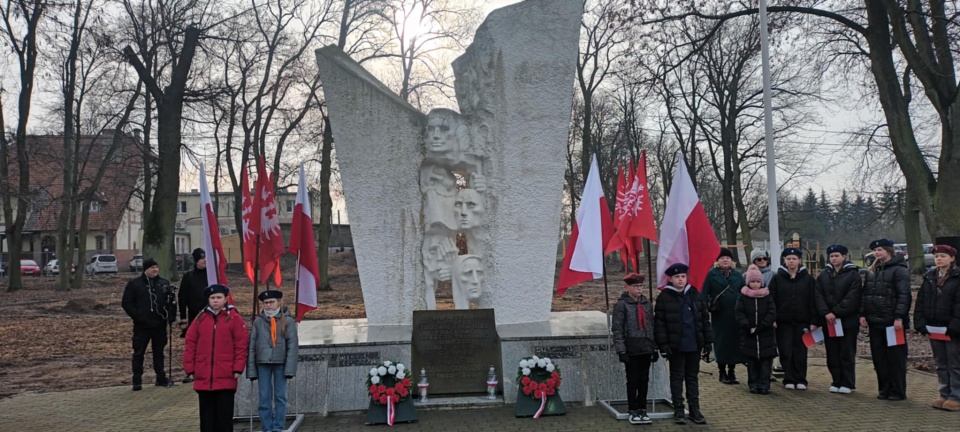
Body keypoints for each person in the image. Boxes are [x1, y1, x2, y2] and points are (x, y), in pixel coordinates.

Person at [184, 284, 249, 432]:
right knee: (206, 419)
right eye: (212, 298)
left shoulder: (234, 319)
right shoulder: (200, 319)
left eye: (219, 297)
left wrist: (238, 367)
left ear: (226, 299)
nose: (215, 301)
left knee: (224, 418)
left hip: (226, 375)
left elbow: (241, 345)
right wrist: (190, 368)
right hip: (204, 376)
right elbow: (190, 344)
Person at [655, 263, 712, 425]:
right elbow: (660, 323)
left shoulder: (694, 294)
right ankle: (679, 409)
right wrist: (663, 344)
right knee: (677, 377)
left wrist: (708, 341)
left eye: (682, 276)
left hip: (694, 344)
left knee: (692, 378)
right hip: (676, 346)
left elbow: (703, 319)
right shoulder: (665, 297)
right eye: (677, 277)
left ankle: (695, 409)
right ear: (670, 279)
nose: (680, 279)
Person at [860, 238, 911, 401]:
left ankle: (897, 390)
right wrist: (863, 314)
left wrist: (899, 317)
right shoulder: (872, 270)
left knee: (895, 358)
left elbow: (904, 296)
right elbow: (865, 294)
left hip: (893, 323)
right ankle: (884, 389)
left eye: (880, 250)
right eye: (875, 250)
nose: (877, 253)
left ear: (889, 251)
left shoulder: (899, 270)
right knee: (879, 357)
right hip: (875, 321)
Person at [914, 243, 960, 411]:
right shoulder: (930, 277)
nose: (939, 259)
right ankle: (944, 393)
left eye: (943, 256)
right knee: (940, 363)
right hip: (934, 328)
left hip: (952, 330)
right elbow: (920, 301)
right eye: (937, 256)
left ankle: (956, 396)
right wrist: (920, 323)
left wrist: (955, 325)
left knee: (954, 363)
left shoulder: (957, 277)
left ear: (952, 258)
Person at [121, 257, 175, 390]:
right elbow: (126, 302)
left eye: (157, 267)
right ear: (146, 269)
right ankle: (137, 380)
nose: (155, 270)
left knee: (159, 352)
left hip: (159, 324)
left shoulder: (163, 283)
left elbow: (172, 302)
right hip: (142, 325)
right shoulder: (134, 284)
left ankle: (161, 377)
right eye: (152, 267)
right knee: (139, 352)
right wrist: (138, 316)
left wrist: (170, 316)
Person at [248, 290, 299, 432]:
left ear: (279, 303)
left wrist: (290, 369)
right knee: (264, 398)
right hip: (263, 363)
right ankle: (267, 427)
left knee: (280, 397)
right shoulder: (258, 322)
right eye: (266, 303)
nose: (268, 305)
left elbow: (292, 346)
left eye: (272, 302)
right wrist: (251, 370)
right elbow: (252, 346)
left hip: (280, 363)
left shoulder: (288, 321)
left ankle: (278, 427)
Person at [814, 244, 861, 394]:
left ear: (844, 257)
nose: (834, 259)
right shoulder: (824, 274)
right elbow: (818, 295)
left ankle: (848, 382)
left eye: (837, 256)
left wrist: (836, 312)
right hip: (829, 322)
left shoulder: (853, 274)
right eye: (831, 256)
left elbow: (853, 297)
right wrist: (826, 312)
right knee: (832, 352)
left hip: (846, 321)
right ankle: (836, 380)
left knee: (846, 352)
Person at [612, 273, 658, 425]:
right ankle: (632, 409)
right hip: (631, 348)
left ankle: (642, 409)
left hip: (645, 347)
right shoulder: (621, 305)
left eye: (641, 286)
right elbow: (617, 329)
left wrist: (654, 348)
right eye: (636, 286)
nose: (639, 289)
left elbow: (651, 327)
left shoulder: (647, 304)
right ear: (627, 287)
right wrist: (621, 350)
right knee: (632, 380)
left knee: (644, 379)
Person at [769, 247, 816, 390]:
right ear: (784, 261)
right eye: (788, 259)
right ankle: (788, 378)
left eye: (794, 259)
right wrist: (773, 318)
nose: (791, 261)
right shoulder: (777, 278)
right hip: (783, 322)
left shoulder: (808, 278)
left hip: (803, 322)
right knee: (786, 351)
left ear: (799, 261)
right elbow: (771, 299)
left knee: (801, 351)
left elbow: (813, 300)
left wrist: (814, 321)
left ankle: (801, 379)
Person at [701, 248, 745, 384]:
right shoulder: (711, 275)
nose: (725, 260)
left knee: (734, 343)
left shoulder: (738, 276)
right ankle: (722, 372)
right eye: (722, 258)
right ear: (717, 261)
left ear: (732, 261)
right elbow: (703, 294)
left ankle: (732, 371)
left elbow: (744, 293)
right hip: (719, 315)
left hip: (736, 315)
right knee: (721, 343)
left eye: (727, 258)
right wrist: (704, 310)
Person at [735, 265, 777, 395]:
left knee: (765, 362)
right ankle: (753, 384)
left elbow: (772, 312)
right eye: (752, 281)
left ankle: (764, 385)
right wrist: (747, 326)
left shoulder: (767, 296)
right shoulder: (743, 297)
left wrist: (763, 326)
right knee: (752, 363)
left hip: (765, 334)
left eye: (757, 282)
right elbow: (739, 313)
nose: (755, 284)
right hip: (749, 334)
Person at [179, 248, 208, 339]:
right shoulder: (189, 276)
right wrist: (183, 317)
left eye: (205, 258)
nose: (205, 260)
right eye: (202, 258)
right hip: (194, 313)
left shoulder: (211, 275)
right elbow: (182, 297)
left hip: (210, 313)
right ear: (196, 260)